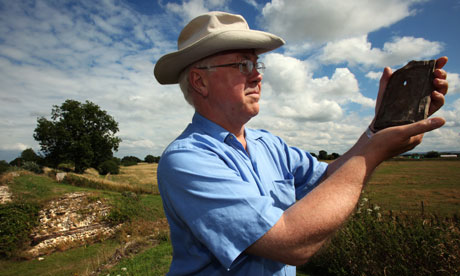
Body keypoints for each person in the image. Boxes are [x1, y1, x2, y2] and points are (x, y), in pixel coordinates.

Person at [153, 11, 448, 275]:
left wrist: (379, 127)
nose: (257, 76)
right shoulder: (187, 159)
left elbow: (330, 179)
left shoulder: (268, 144)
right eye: (243, 65)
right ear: (199, 82)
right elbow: (288, 243)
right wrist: (374, 152)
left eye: (257, 64)